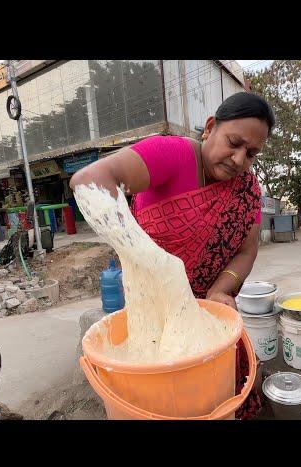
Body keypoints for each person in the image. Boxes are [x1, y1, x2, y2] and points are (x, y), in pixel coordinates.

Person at [70, 91, 275, 311]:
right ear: (209, 127)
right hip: (151, 306)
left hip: (205, 310)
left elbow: (247, 252)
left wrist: (219, 290)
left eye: (251, 154)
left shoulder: (247, 189)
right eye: (233, 142)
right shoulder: (174, 154)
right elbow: (87, 181)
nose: (238, 159)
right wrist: (155, 260)